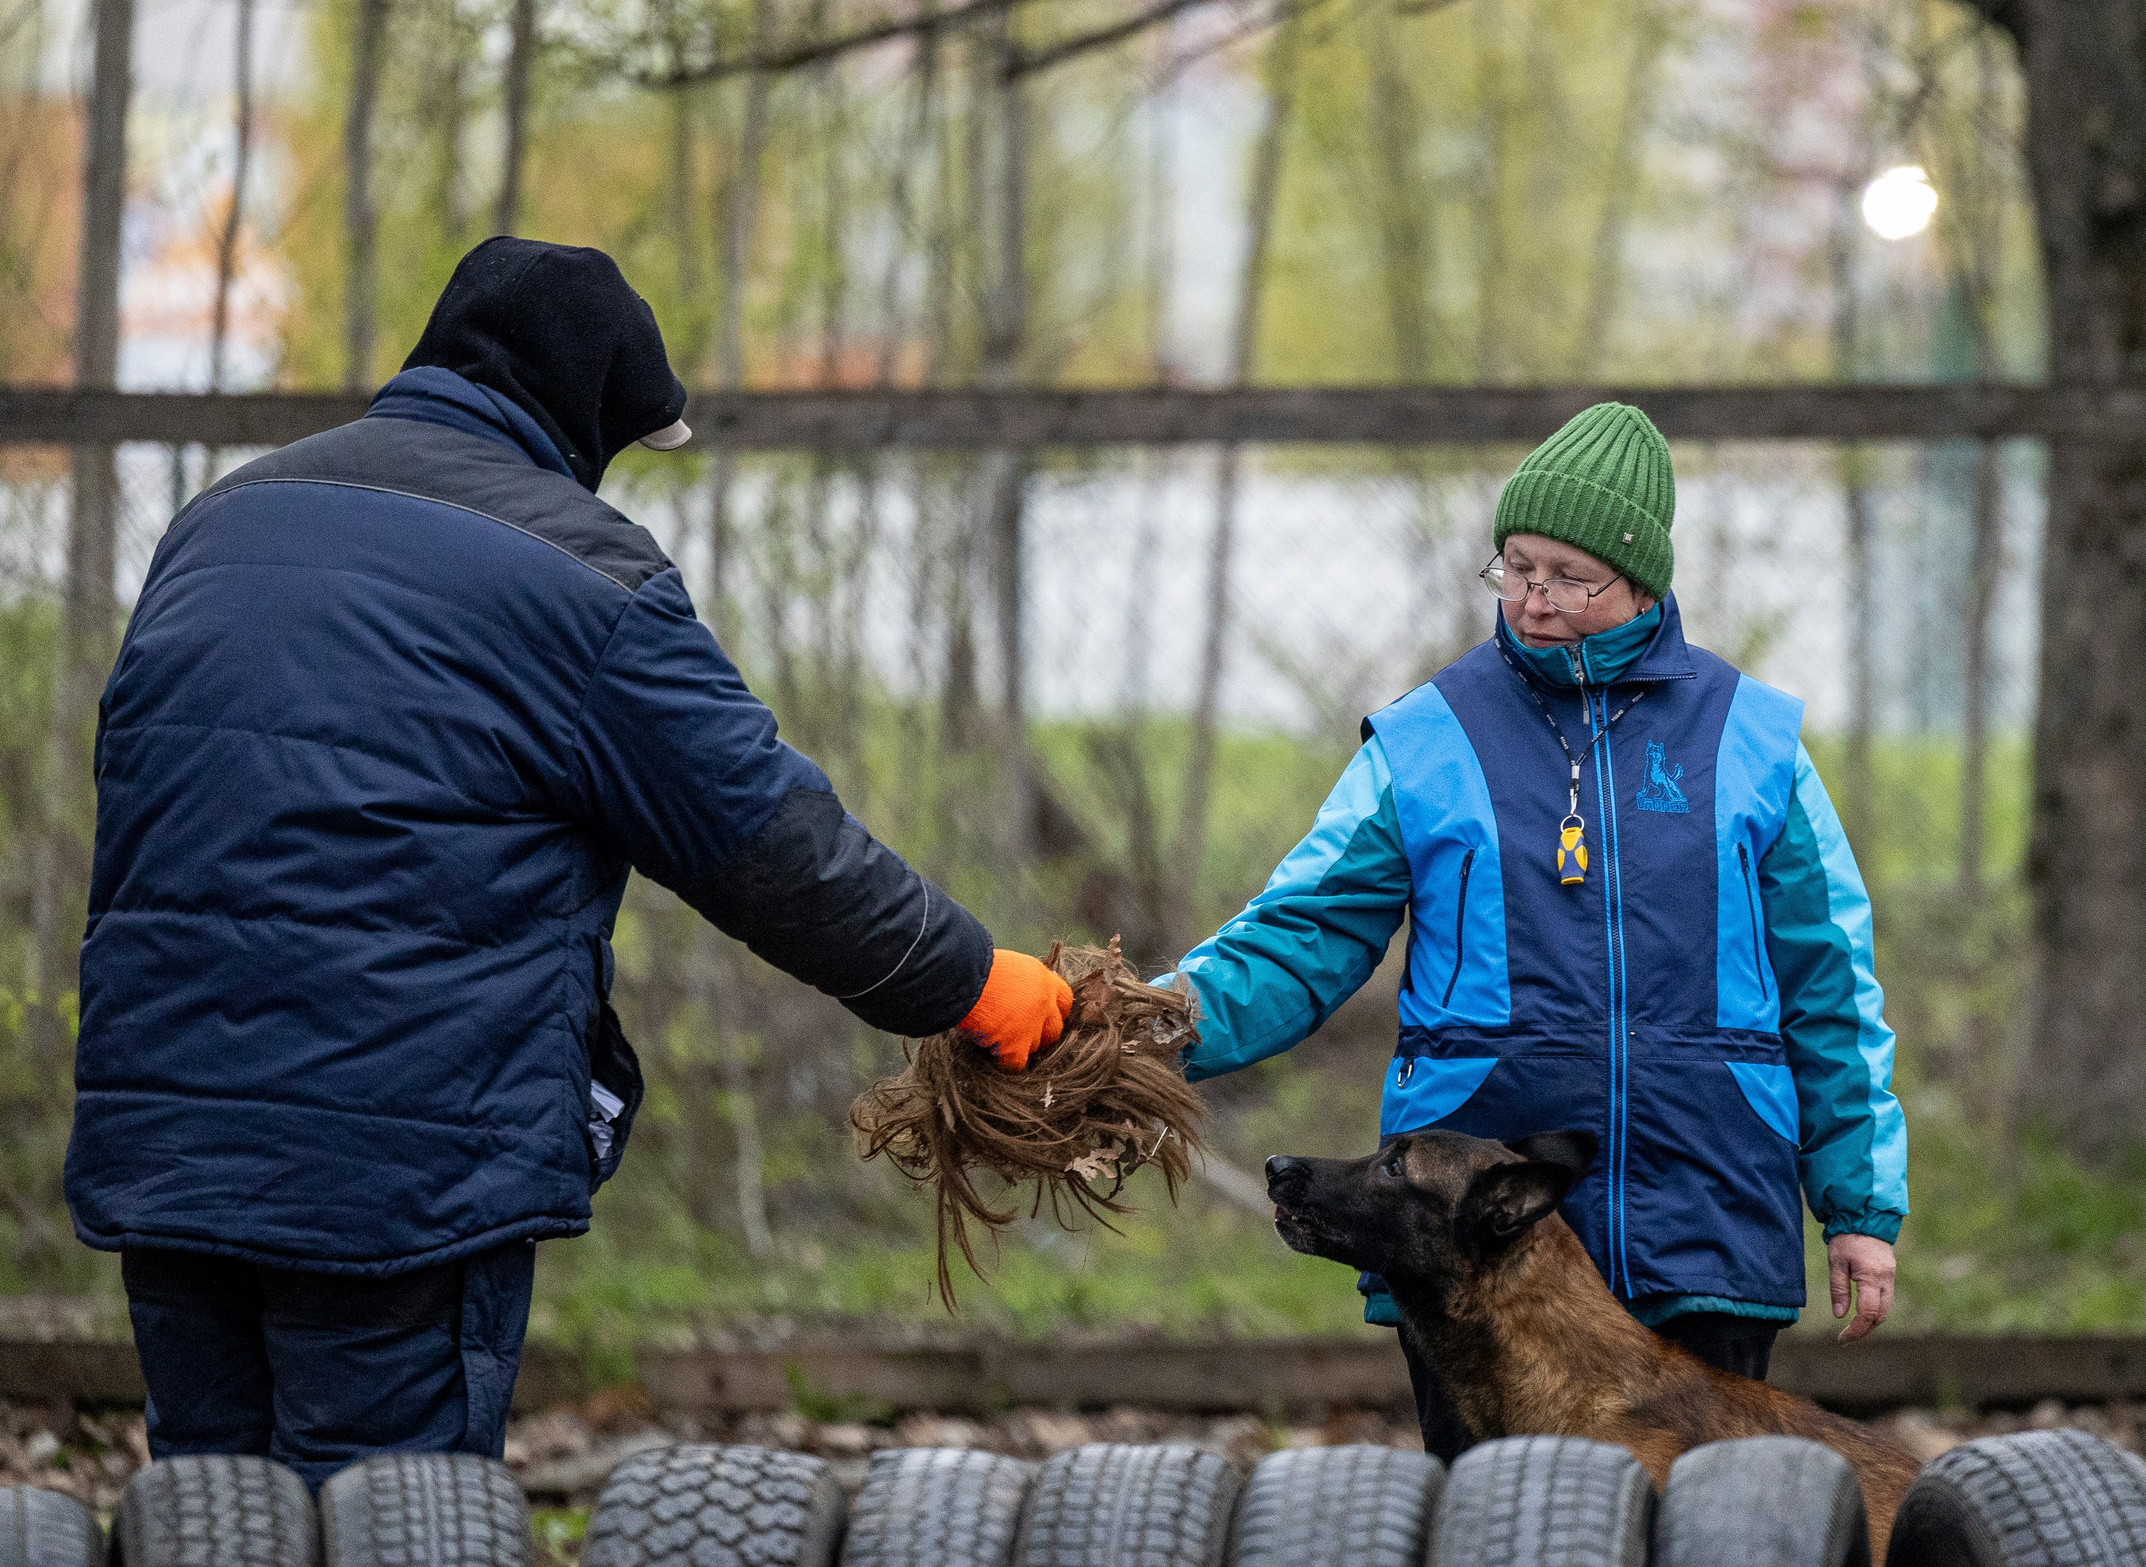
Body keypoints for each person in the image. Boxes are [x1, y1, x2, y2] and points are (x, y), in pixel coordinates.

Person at [66, 237, 1072, 1491]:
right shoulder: (584, 579)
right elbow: (773, 850)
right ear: (585, 414)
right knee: (382, 1561)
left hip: (165, 1135)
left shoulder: (218, 523)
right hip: (395, 1171)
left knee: (210, 1541)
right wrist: (975, 983)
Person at [1169, 402, 1907, 1460]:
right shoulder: (1428, 737)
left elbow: (1827, 986)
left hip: (1706, 1210)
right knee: (1497, 1542)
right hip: (1473, 1241)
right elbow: (1301, 932)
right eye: (1513, 569)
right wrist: (1142, 1024)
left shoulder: (1754, 741)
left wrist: (1858, 1206)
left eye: (1568, 576)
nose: (1534, 602)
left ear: (1642, 580)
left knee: (1713, 1546)